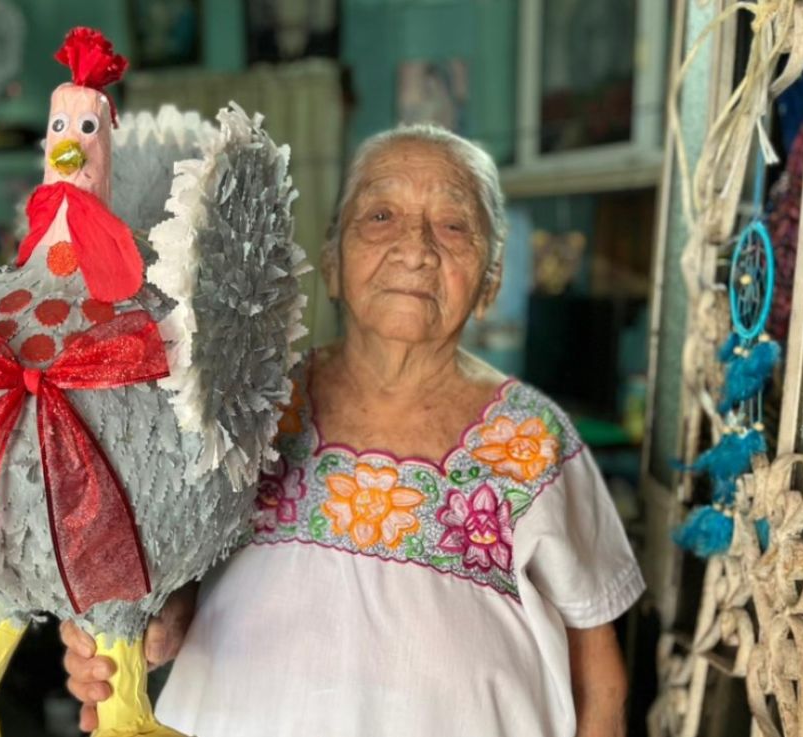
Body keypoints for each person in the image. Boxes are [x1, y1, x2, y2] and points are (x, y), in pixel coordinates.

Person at [61, 124, 644, 737]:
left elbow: (599, 679)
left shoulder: (533, 437)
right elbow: (183, 583)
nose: (416, 248)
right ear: (332, 263)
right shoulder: (246, 402)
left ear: (491, 281)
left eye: (453, 225)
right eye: (381, 215)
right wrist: (150, 631)